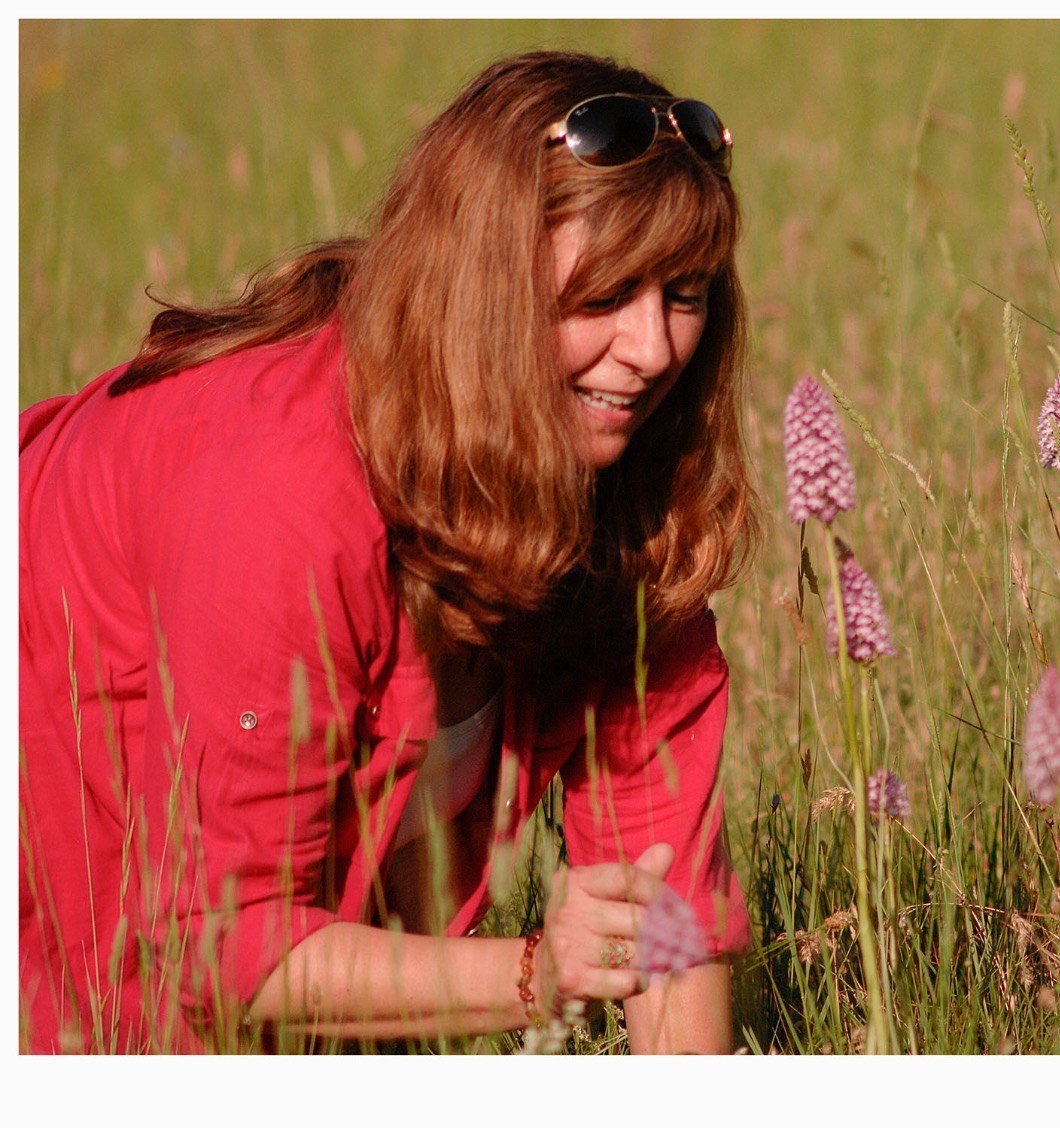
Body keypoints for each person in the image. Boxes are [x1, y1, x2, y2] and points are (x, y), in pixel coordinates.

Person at [19, 49, 760, 1054]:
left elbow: (667, 929)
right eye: (603, 297)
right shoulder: (280, 488)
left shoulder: (633, 496)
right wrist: (539, 973)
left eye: (684, 292)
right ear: (480, 288)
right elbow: (216, 944)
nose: (653, 348)